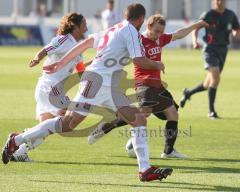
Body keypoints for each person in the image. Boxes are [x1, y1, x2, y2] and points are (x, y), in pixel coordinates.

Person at [2, 3, 173, 182]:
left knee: (138, 119)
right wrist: (157, 64)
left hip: (109, 87)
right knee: (68, 124)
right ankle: (17, 140)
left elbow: (87, 43)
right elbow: (139, 60)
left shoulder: (114, 28)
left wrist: (61, 63)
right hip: (96, 83)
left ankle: (144, 170)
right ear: (141, 19)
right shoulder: (130, 31)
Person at [87, 14, 208, 159]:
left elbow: (178, 34)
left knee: (172, 114)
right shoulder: (138, 40)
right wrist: (91, 62)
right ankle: (103, 129)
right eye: (156, 31)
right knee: (141, 115)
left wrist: (196, 25)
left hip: (157, 85)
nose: (158, 35)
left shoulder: (160, 39)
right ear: (148, 27)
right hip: (144, 84)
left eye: (161, 32)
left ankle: (168, 151)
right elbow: (114, 51)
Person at [10, 13, 88, 162]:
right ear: (75, 26)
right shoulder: (64, 40)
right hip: (50, 88)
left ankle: (19, 151)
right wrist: (37, 58)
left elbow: (81, 72)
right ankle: (18, 139)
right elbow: (47, 49)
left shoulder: (78, 48)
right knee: (66, 120)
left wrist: (97, 64)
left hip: (50, 89)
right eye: (84, 24)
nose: (87, 26)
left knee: (46, 128)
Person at [180, 0, 240, 119]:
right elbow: (196, 28)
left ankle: (188, 93)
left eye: (221, 0)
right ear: (214, 1)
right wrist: (194, 41)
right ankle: (211, 111)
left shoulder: (231, 15)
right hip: (210, 50)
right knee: (216, 78)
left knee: (209, 83)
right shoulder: (208, 15)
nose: (219, 2)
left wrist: (235, 33)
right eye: (217, 0)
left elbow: (236, 29)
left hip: (223, 51)